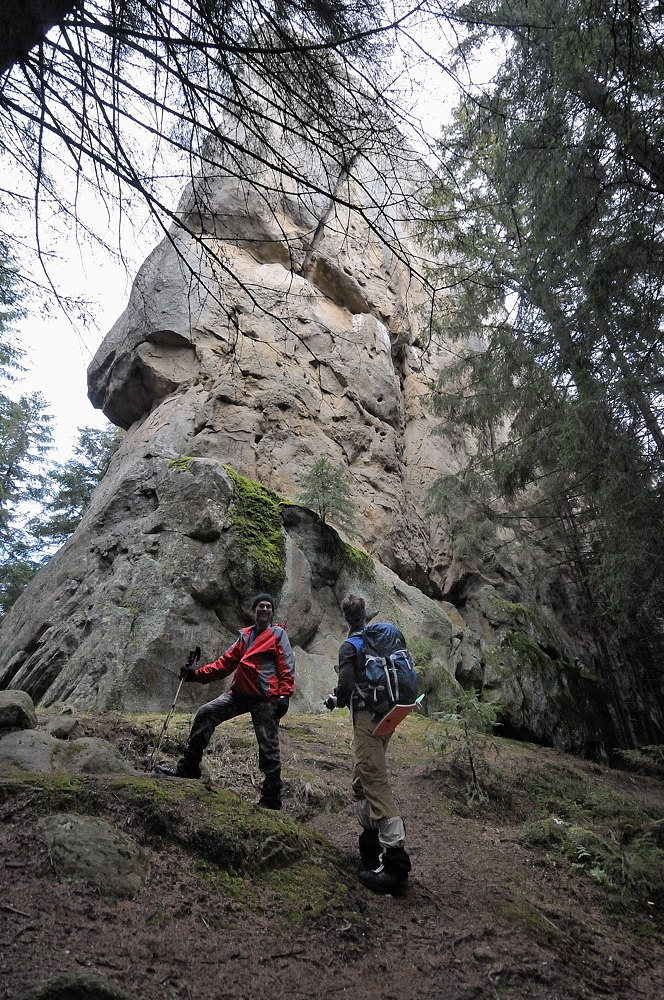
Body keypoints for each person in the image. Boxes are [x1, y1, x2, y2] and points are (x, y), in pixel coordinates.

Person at [156, 593, 295, 809]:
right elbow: (224, 664)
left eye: (268, 606)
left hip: (265, 698)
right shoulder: (245, 636)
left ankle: (271, 798)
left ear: (272, 612)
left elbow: (286, 665)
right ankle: (189, 768)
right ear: (254, 610)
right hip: (239, 694)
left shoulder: (278, 635)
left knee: (268, 746)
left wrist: (284, 695)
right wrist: (195, 674)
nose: (264, 609)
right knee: (206, 712)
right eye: (260, 606)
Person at [326, 593, 412, 895]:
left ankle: (395, 866)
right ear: (366, 615)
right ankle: (371, 847)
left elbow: (347, 689)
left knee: (373, 781)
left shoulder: (350, 646)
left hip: (367, 719)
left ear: (345, 618)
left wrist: (335, 698)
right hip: (390, 714)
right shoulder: (382, 637)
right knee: (361, 781)